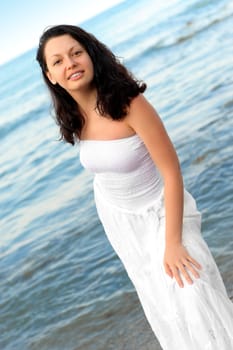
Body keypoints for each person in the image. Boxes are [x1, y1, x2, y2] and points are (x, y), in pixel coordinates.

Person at [36, 24, 233, 349]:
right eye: (57, 61)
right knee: (165, 307)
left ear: (91, 56)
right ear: (51, 76)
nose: (69, 63)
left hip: (162, 212)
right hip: (122, 222)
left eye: (75, 53)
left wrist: (172, 242)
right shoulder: (75, 118)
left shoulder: (129, 103)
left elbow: (171, 171)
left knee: (192, 293)